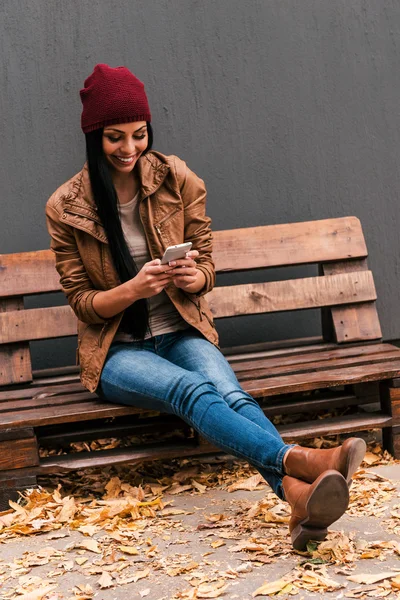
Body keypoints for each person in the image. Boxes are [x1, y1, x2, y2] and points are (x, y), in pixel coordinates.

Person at [46, 64, 366, 550]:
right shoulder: (67, 205)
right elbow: (83, 304)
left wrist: (196, 275)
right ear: (94, 136)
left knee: (231, 395)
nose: (129, 149)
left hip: (181, 331)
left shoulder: (176, 177)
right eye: (115, 138)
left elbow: (205, 258)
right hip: (117, 352)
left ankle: (299, 499)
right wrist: (134, 288)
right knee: (192, 389)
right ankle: (300, 460)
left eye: (139, 134)